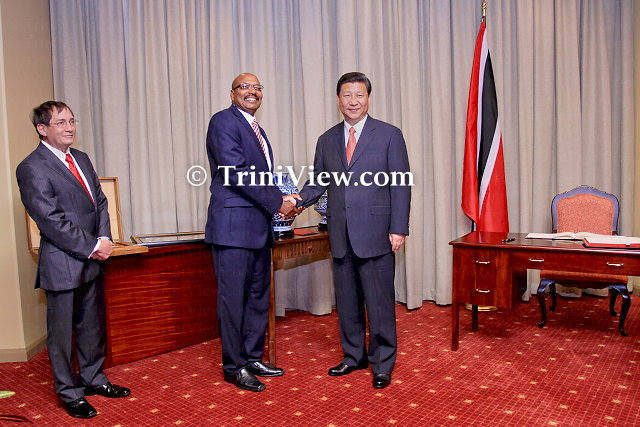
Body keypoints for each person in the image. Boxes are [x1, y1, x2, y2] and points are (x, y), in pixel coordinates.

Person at [16, 101, 130, 419]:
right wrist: (93, 245)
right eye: (61, 122)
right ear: (42, 129)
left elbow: (99, 201)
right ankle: (69, 392)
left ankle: (94, 378)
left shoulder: (81, 157)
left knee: (92, 327)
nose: (70, 128)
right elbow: (50, 220)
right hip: (62, 261)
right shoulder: (32, 167)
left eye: (72, 121)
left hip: (92, 259)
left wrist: (104, 238)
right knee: (62, 334)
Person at [298, 72, 411, 389]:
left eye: (359, 95)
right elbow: (318, 182)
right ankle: (353, 356)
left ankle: (382, 362)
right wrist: (296, 200)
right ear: (338, 99)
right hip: (340, 233)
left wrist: (398, 228)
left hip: (377, 232)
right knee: (347, 301)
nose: (353, 101)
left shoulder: (389, 135)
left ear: (368, 98)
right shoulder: (327, 139)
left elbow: (401, 185)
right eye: (347, 95)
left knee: (379, 302)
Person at [205, 73, 301, 392]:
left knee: (257, 298)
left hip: (259, 228)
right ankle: (234, 367)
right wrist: (278, 203)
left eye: (257, 87)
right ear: (232, 93)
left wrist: (286, 199)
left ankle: (251, 357)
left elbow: (262, 178)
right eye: (245, 87)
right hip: (233, 229)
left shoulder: (257, 129)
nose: (252, 91)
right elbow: (236, 173)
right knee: (233, 301)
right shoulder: (223, 121)